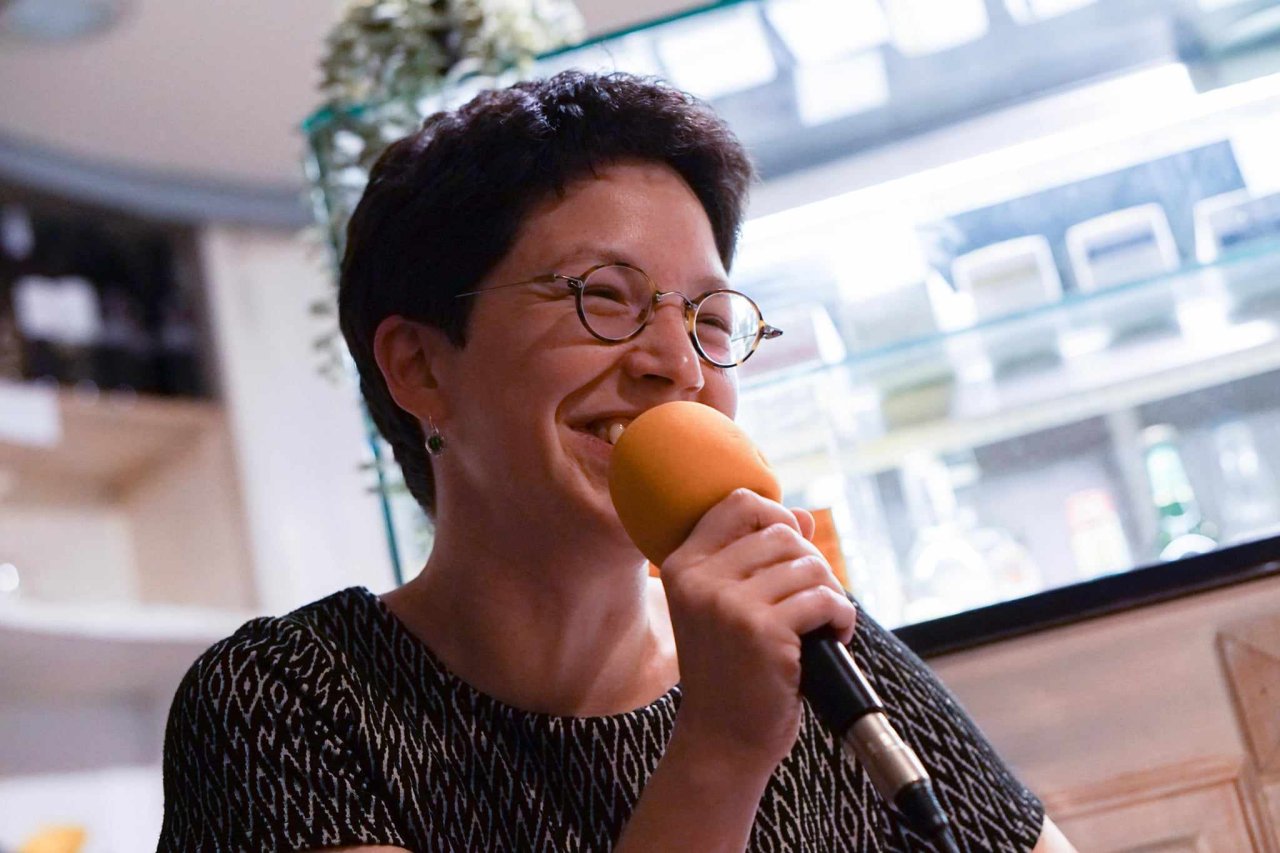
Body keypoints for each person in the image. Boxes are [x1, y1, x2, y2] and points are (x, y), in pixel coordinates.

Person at [157, 71, 1076, 852]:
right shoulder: (289, 701)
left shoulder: (807, 646)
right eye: (603, 297)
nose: (678, 363)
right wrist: (719, 749)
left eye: (711, 319)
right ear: (421, 367)